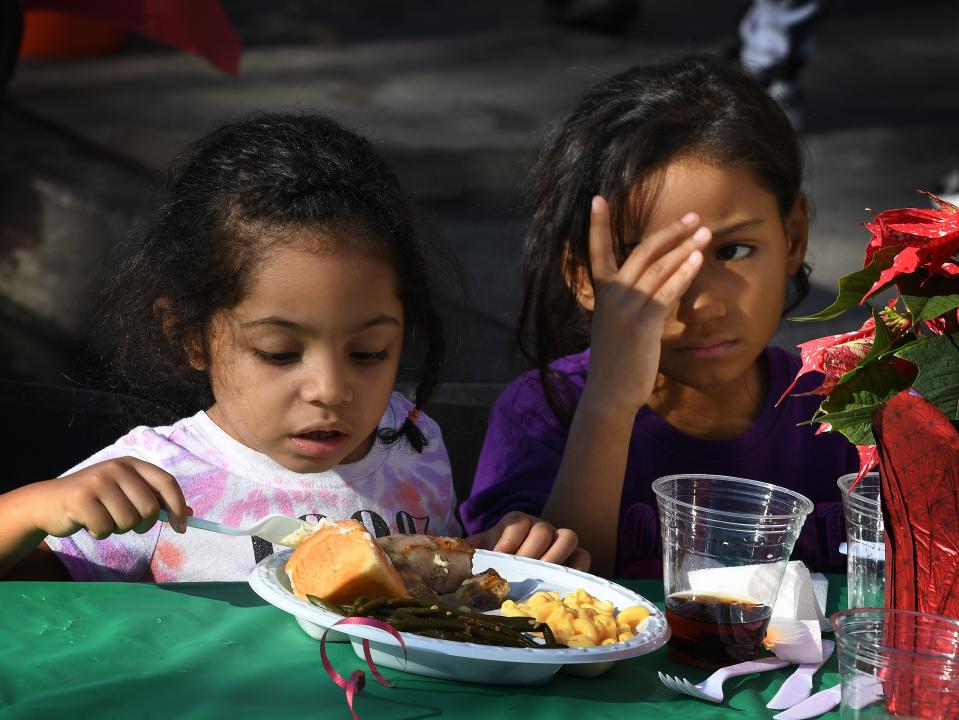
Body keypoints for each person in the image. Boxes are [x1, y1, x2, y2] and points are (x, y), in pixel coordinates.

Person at [0, 112, 588, 582]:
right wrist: (28, 511)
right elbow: (31, 598)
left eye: (369, 352)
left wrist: (500, 561)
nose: (331, 390)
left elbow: (433, 589)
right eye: (280, 353)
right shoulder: (155, 483)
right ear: (189, 335)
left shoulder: (412, 443)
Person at [460, 54, 858, 579]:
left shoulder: (851, 414)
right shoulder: (543, 414)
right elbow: (550, 609)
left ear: (794, 236)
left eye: (734, 251)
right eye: (656, 266)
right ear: (583, 276)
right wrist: (608, 405)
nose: (702, 303)